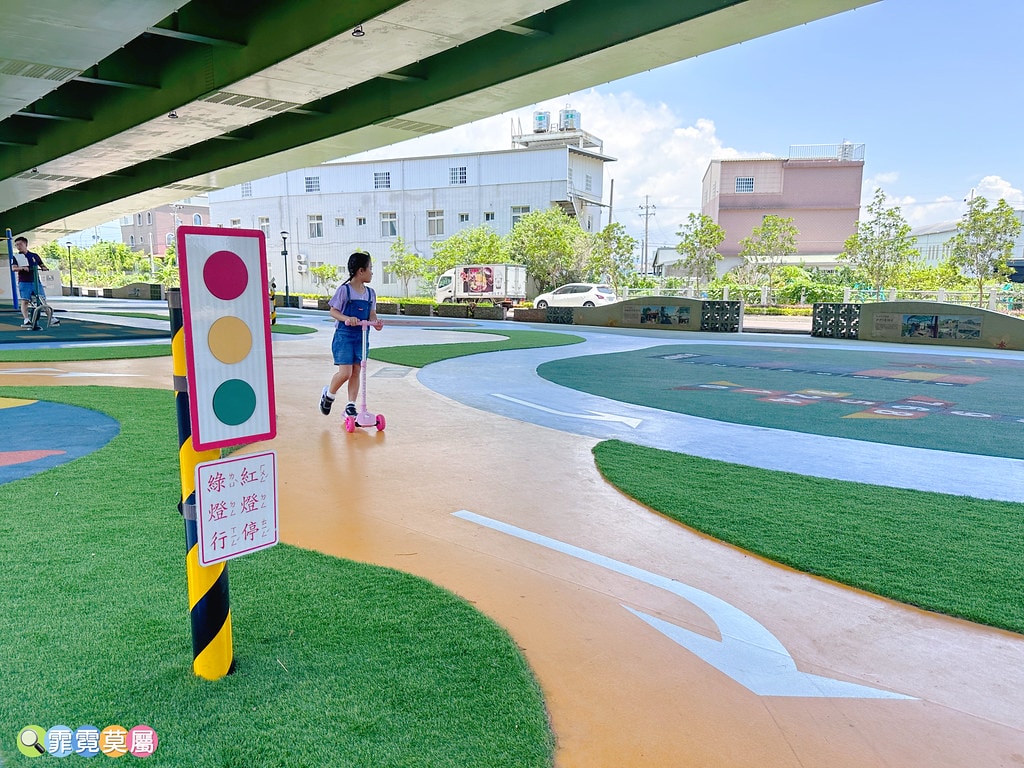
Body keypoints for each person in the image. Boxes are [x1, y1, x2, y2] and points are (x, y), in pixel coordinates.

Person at [319, 251, 384, 418]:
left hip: (362, 337)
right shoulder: (344, 291)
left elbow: (371, 314)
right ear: (360, 271)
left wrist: (375, 323)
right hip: (344, 336)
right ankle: (329, 395)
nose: (372, 272)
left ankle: (351, 405)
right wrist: (348, 318)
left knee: (356, 370)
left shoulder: (370, 293)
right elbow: (333, 311)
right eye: (370, 268)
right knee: (345, 372)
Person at [11, 236, 48, 326]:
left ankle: (51, 317)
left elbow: (42, 265)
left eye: (20, 244)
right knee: (25, 300)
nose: (18, 246)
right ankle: (26, 319)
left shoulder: (34, 256)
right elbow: (13, 268)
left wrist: (44, 267)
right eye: (16, 245)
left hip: (36, 281)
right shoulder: (17, 257)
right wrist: (23, 268)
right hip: (24, 282)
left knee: (42, 299)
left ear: (26, 244)